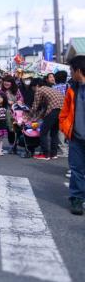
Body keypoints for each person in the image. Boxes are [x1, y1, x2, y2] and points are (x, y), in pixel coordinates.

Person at [59, 55, 85, 215]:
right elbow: (65, 111)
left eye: (71, 69)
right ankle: (76, 198)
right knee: (76, 170)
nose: (70, 72)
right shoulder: (72, 88)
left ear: (79, 70)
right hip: (75, 137)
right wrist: (64, 126)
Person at [30, 77, 65, 160]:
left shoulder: (40, 90)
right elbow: (44, 109)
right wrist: (37, 118)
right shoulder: (50, 89)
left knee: (43, 132)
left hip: (53, 110)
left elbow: (35, 106)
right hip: (61, 111)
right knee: (54, 133)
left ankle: (45, 154)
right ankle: (53, 154)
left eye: (33, 88)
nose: (34, 90)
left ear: (37, 85)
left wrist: (29, 116)